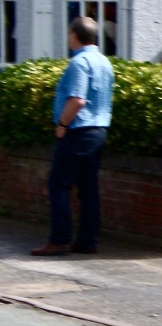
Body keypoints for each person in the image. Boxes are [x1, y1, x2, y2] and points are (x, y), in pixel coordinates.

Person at [32, 17, 115, 257]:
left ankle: (59, 240)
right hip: (98, 131)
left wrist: (61, 124)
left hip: (78, 131)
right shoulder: (104, 62)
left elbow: (77, 99)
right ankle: (87, 241)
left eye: (70, 34)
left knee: (58, 184)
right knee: (89, 189)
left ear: (74, 36)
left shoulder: (79, 63)